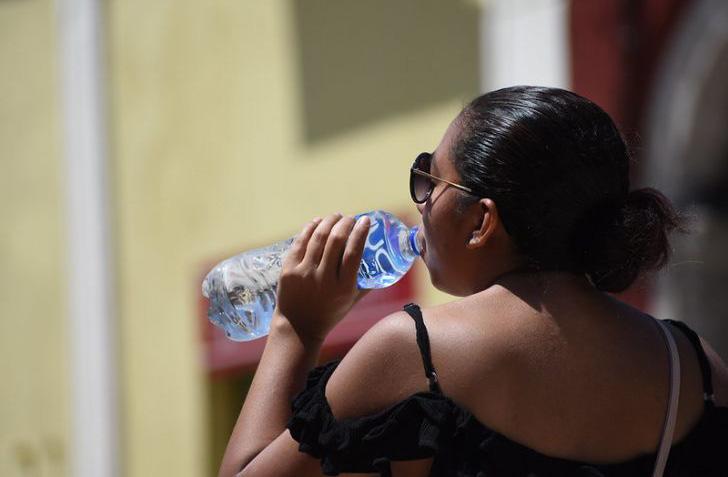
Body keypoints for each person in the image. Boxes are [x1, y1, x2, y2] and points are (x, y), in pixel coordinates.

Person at [218, 86, 728, 477]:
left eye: (430, 178)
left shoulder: (417, 353)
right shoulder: (696, 365)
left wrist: (295, 328)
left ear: (482, 222)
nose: (421, 204)